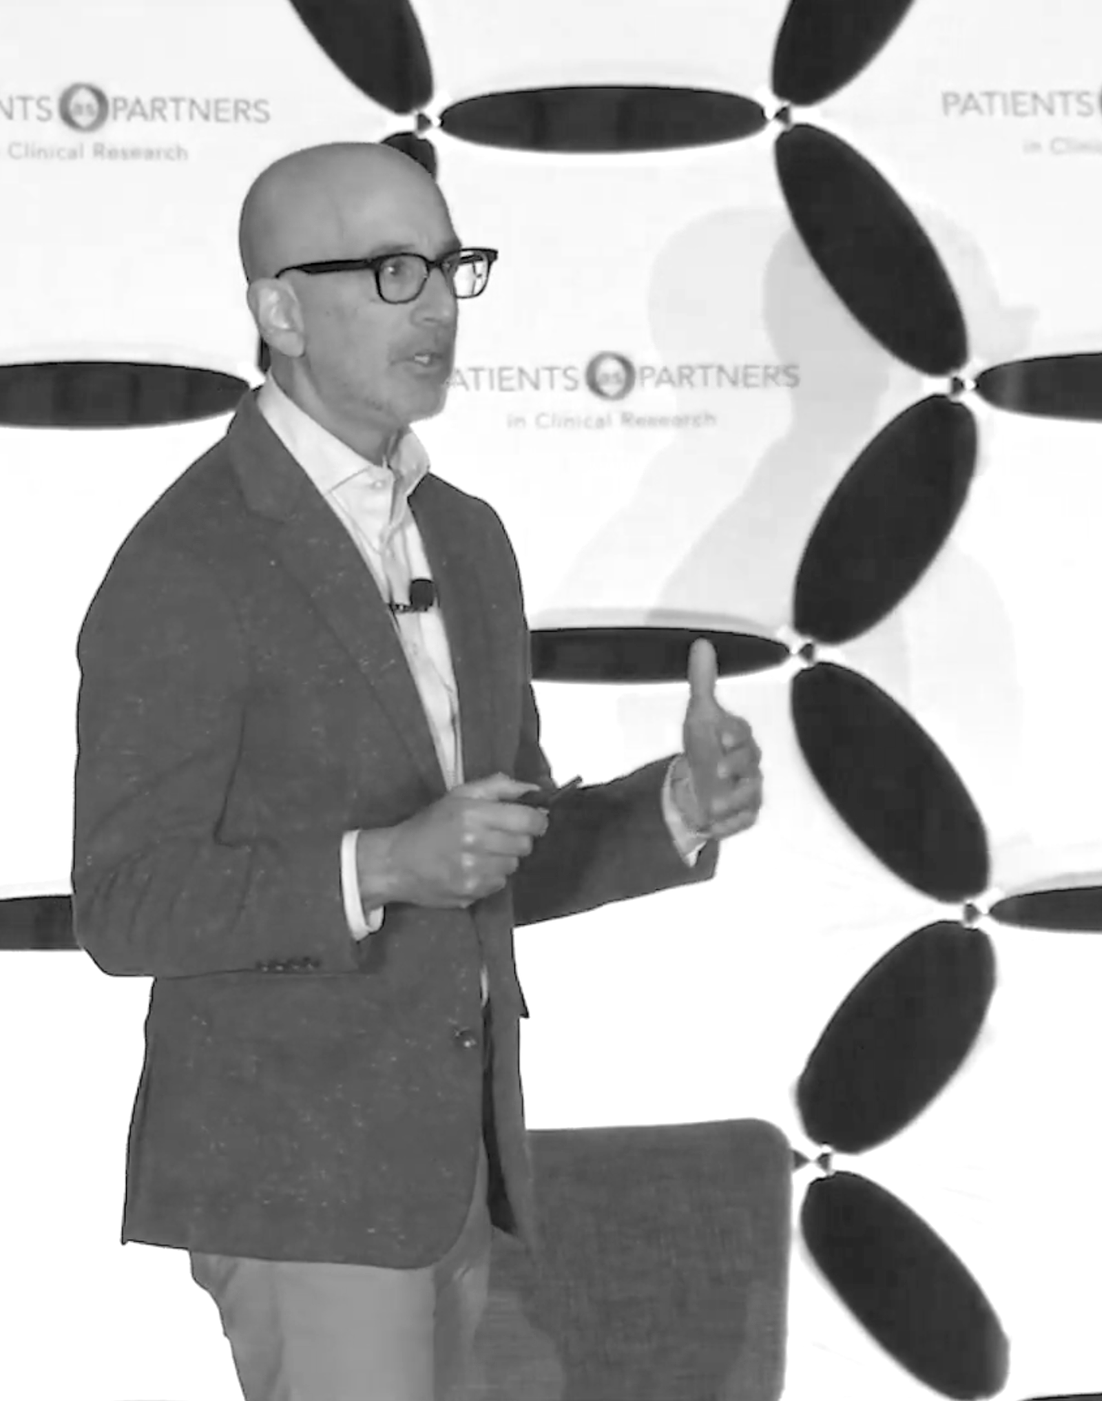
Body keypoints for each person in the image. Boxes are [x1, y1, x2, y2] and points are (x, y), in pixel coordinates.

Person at [71, 141, 766, 1401]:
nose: (437, 304)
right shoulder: (191, 558)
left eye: (451, 267)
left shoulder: (465, 537)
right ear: (280, 311)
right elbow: (125, 905)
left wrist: (673, 808)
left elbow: (495, 846)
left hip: (455, 1166)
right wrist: (380, 864)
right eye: (394, 271)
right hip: (298, 1172)